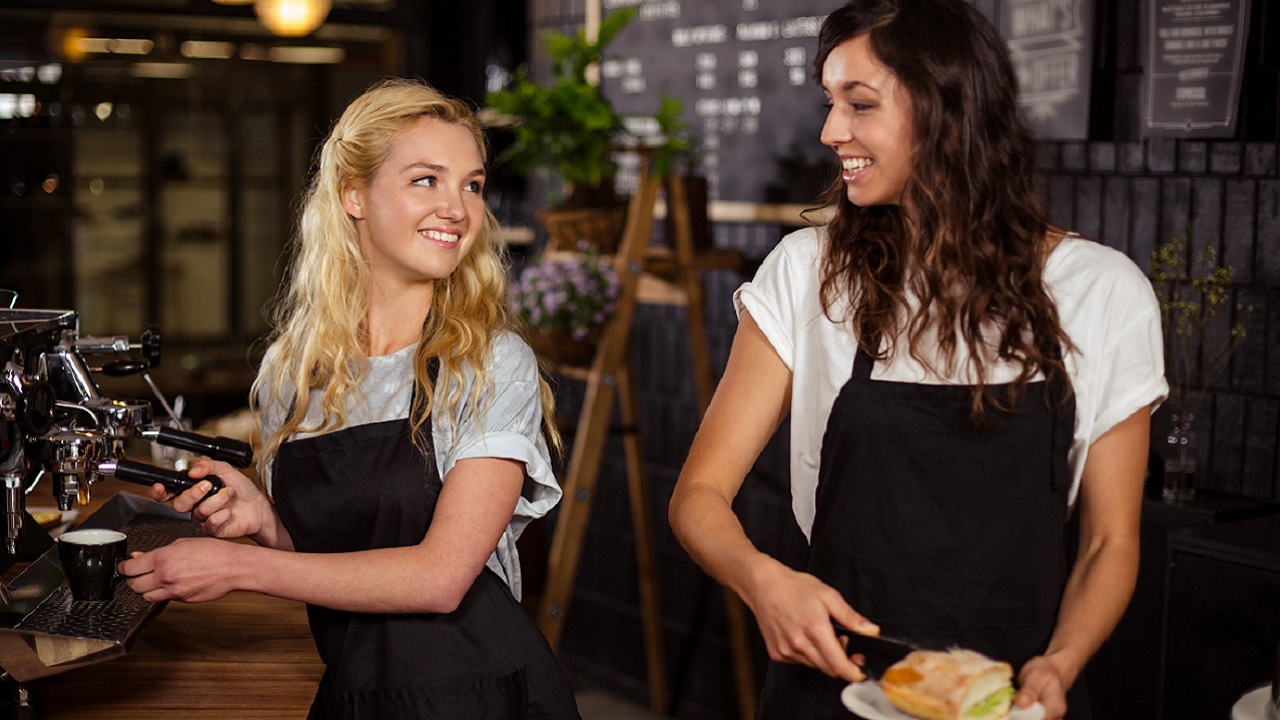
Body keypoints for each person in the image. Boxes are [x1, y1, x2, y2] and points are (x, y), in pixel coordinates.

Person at [667, 2, 1166, 719]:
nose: (830, 131)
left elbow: (1109, 542)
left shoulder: (1101, 292)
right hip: (835, 688)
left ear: (951, 114)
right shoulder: (808, 273)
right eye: (830, 102)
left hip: (1012, 699)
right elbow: (697, 497)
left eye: (859, 104)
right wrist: (765, 582)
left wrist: (1063, 662)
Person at [121, 78, 581, 720]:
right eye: (427, 179)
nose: (457, 207)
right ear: (354, 195)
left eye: (471, 185)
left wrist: (238, 566)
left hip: (476, 693)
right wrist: (266, 524)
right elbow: (342, 556)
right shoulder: (298, 371)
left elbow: (441, 577)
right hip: (352, 692)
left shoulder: (489, 361)